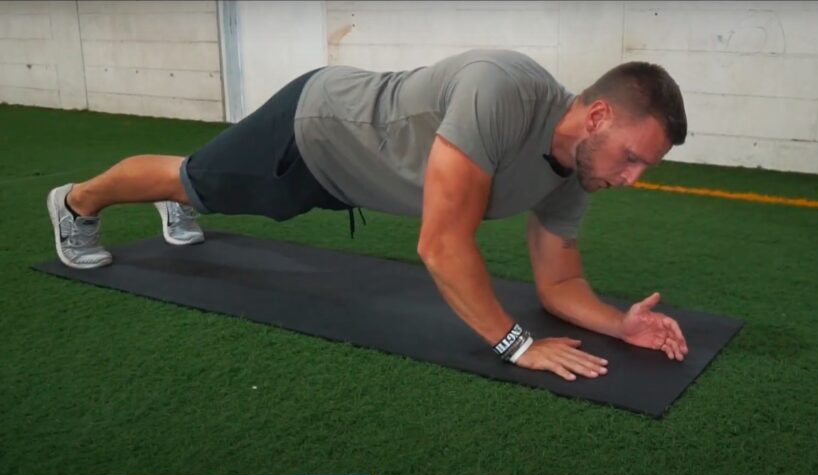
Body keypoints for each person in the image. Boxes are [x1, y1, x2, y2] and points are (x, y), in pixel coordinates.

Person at [45, 49, 689, 381]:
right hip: (316, 131)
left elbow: (558, 284)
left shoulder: (578, 172)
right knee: (193, 181)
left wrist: (617, 323)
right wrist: (516, 346)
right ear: (599, 118)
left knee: (203, 187)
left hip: (355, 179)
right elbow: (440, 244)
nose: (630, 179)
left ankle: (179, 200)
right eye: (632, 158)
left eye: (643, 169)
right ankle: (77, 202)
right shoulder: (503, 91)